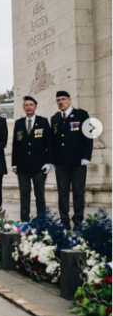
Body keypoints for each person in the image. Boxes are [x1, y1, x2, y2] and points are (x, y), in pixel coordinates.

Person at [50, 90, 93, 228]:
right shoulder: (55, 118)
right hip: (61, 163)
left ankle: (78, 220)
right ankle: (64, 221)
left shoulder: (82, 115)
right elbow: (54, 142)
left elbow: (88, 137)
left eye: (63, 99)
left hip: (78, 162)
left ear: (69, 100)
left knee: (78, 192)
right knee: (62, 193)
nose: (61, 102)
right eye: (58, 100)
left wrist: (86, 157)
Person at [12, 96, 52, 222]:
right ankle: (25, 219)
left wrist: (49, 162)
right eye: (26, 105)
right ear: (23, 107)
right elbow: (15, 144)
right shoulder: (19, 123)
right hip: (23, 166)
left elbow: (49, 143)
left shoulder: (43, 121)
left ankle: (42, 220)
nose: (28, 107)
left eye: (31, 105)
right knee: (24, 194)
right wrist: (14, 164)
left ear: (35, 106)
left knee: (39, 194)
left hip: (39, 166)